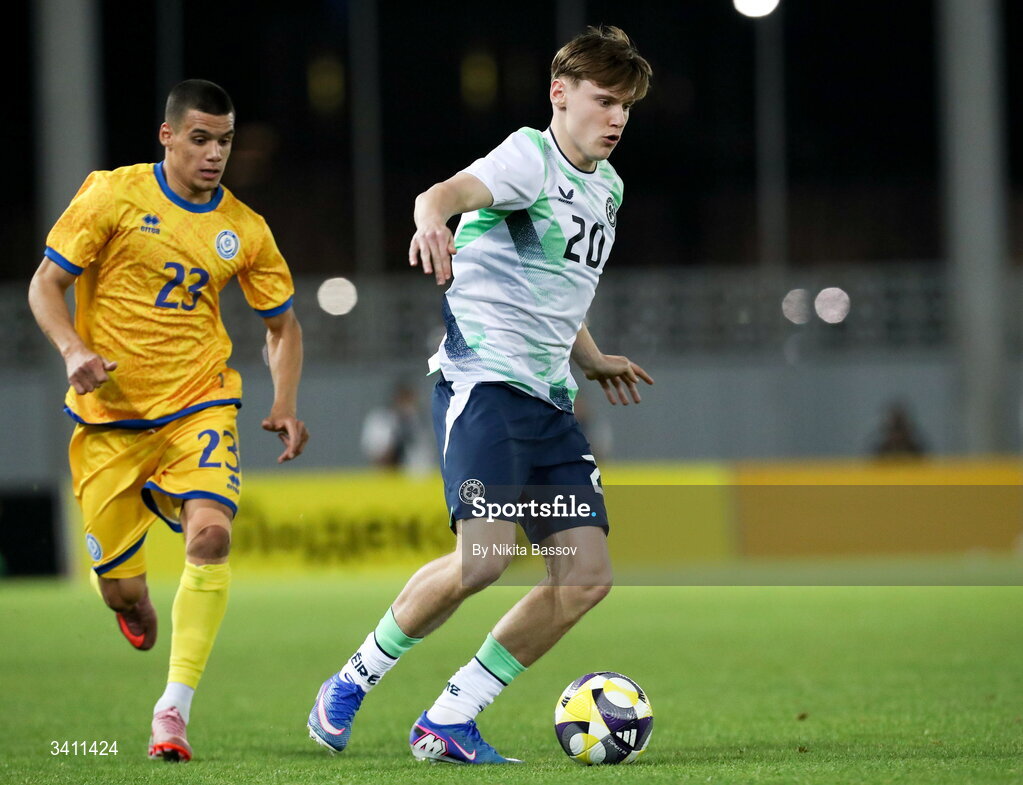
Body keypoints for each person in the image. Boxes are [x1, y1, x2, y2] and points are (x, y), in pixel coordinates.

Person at [307, 26, 652, 764]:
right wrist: (431, 216)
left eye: (626, 105)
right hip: (486, 385)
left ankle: (449, 716)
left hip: (550, 402)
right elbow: (443, 194)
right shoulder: (529, 155)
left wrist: (590, 358)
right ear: (560, 95)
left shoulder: (608, 186)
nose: (616, 118)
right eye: (603, 101)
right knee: (484, 558)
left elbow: (559, 291)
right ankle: (352, 678)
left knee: (585, 576)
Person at [28, 79, 309, 763]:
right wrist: (72, 349)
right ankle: (131, 595)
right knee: (123, 592)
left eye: (225, 141)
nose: (214, 153)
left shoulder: (244, 228)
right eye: (201, 138)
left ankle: (172, 713)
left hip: (200, 401)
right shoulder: (112, 195)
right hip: (109, 418)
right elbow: (46, 283)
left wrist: (283, 401)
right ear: (168, 135)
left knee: (212, 535)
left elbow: (282, 325)